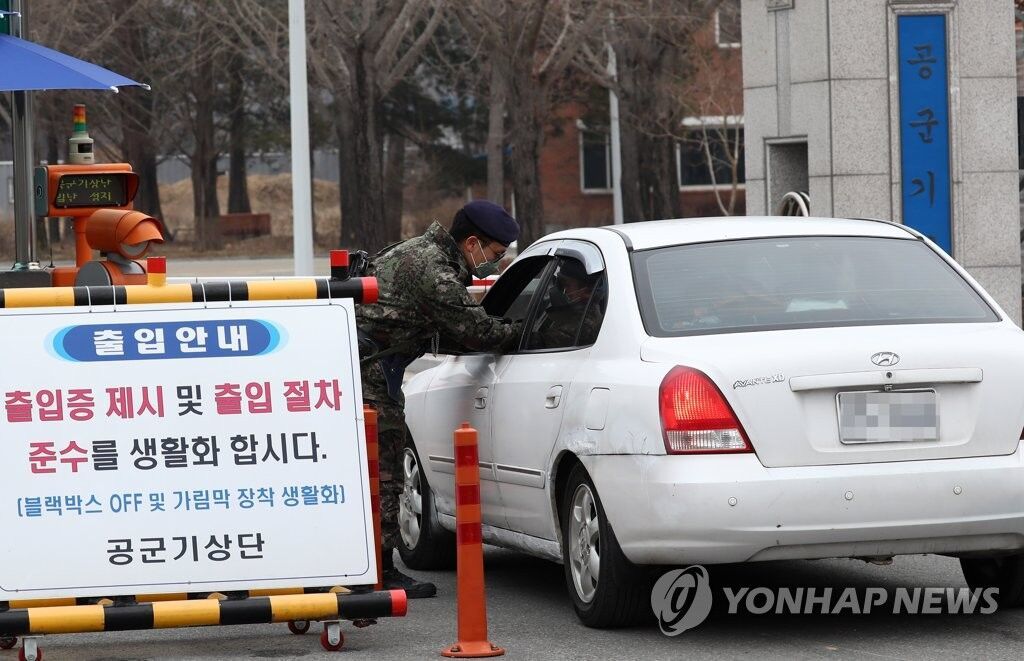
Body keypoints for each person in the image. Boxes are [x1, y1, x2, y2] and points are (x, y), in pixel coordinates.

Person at [355, 200, 522, 598]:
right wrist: (524, 331)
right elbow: (475, 331)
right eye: (495, 256)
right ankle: (382, 571)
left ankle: (370, 566)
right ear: (471, 243)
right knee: (386, 473)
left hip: (368, 366)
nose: (494, 266)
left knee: (374, 472)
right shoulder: (436, 273)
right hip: (372, 374)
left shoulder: (418, 252)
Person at [527, 259, 605, 350]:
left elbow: (541, 341)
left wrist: (510, 333)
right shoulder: (573, 313)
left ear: (586, 292)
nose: (562, 291)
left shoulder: (584, 326)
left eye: (567, 286)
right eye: (561, 285)